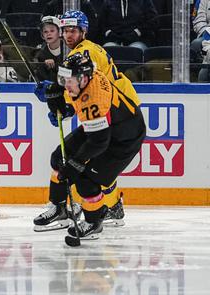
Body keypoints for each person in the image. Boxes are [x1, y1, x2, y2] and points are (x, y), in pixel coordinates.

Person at [34, 10, 140, 230]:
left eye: (73, 30)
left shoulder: (85, 53)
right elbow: (77, 88)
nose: (68, 34)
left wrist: (60, 100)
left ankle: (106, 208)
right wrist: (59, 97)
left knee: (91, 168)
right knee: (71, 160)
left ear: (84, 31)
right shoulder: (85, 49)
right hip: (109, 109)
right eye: (65, 30)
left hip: (115, 114)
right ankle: (69, 207)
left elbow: (85, 87)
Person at [35, 15, 63, 82]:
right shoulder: (40, 53)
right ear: (42, 35)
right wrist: (45, 66)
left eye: (52, 31)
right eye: (45, 32)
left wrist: (55, 65)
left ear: (59, 32)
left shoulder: (68, 48)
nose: (48, 34)